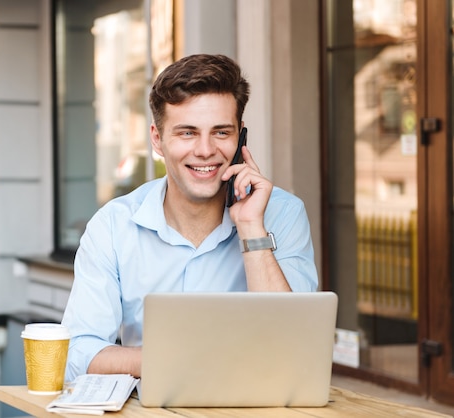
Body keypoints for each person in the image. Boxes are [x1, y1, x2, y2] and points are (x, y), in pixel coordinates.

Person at [61, 54, 318, 381]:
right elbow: (77, 353)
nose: (206, 150)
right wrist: (178, 360)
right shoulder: (113, 225)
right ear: (157, 139)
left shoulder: (282, 214)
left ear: (240, 136)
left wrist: (252, 227)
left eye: (221, 133)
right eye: (187, 133)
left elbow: (296, 350)